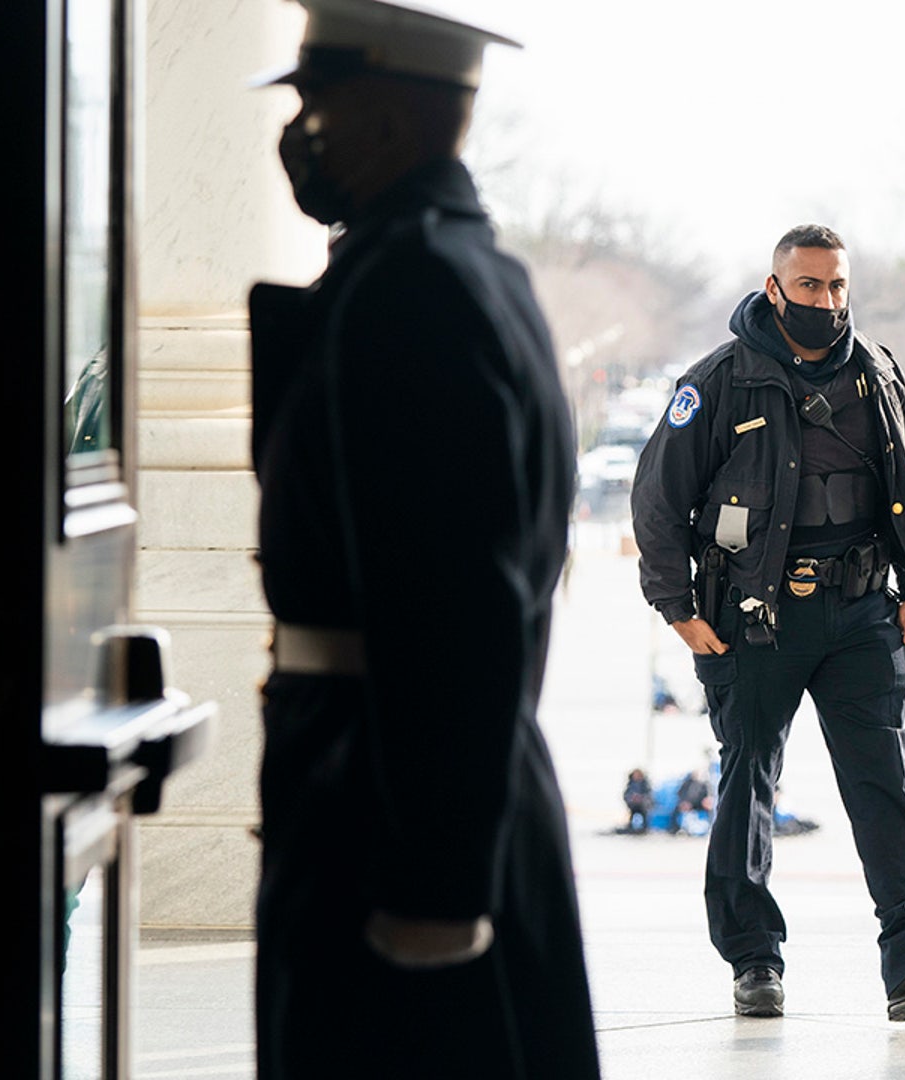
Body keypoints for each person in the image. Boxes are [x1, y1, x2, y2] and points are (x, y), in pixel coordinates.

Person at [246, 1, 599, 1076]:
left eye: (321, 102)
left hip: (385, 801)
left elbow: (456, 600)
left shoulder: (413, 290)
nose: (303, 128)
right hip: (412, 782)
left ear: (394, 118)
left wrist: (436, 884)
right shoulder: (466, 270)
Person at [631, 224, 905, 1021]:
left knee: (881, 782)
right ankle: (755, 961)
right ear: (775, 289)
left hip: (864, 612)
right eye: (810, 287)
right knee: (747, 783)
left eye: (837, 287)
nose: (826, 302)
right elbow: (658, 498)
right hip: (755, 618)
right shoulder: (720, 381)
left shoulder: (878, 373)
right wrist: (680, 610)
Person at [623, 768, 654, 833]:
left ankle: (645, 827)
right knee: (633, 812)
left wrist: (641, 798)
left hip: (643, 805)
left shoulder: (645, 785)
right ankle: (631, 826)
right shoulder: (630, 785)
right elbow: (626, 795)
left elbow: (649, 795)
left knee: (643, 812)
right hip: (633, 805)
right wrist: (631, 798)